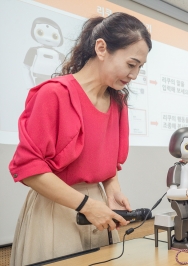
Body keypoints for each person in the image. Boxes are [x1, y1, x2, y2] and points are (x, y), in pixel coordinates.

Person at [9, 12, 152, 266]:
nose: (135, 75)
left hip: (96, 210)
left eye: (140, 67)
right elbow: (28, 169)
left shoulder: (118, 103)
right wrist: (86, 204)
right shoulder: (54, 94)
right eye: (131, 64)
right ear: (101, 48)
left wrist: (112, 190)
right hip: (55, 211)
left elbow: (107, 164)